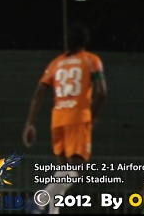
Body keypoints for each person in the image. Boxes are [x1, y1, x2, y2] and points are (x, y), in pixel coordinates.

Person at [22, 21, 107, 216]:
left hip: (58, 118)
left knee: (61, 173)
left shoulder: (55, 63)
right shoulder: (92, 60)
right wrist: (93, 116)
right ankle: (40, 200)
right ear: (86, 40)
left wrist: (30, 123)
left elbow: (39, 92)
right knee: (75, 170)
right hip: (78, 117)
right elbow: (102, 92)